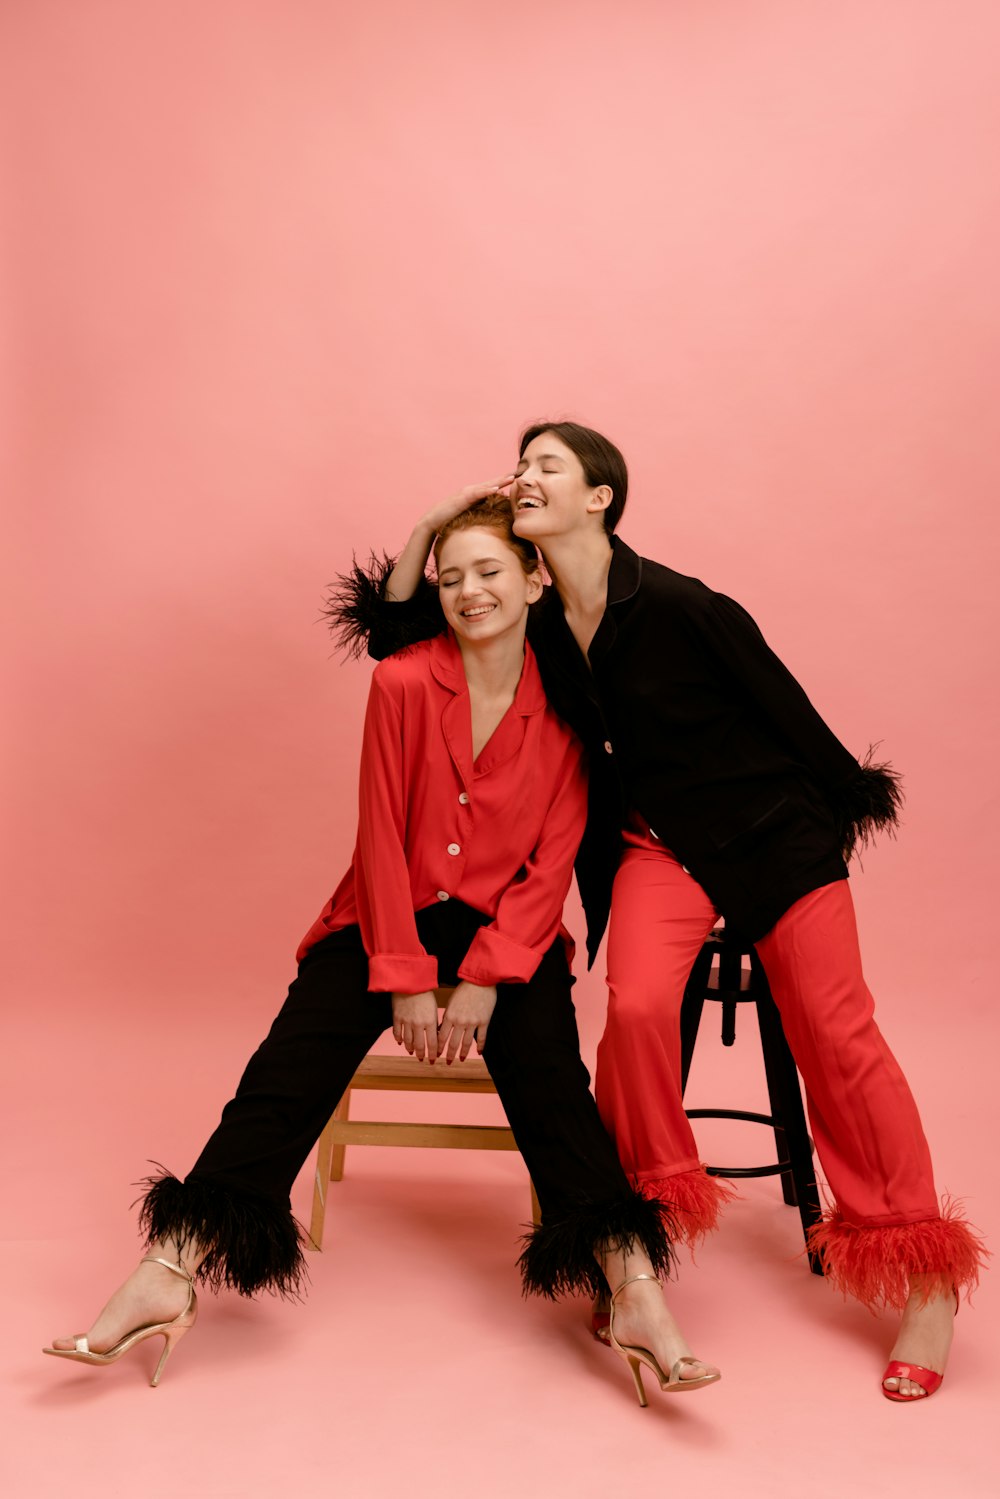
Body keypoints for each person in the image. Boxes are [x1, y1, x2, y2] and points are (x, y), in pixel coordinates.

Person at [44, 499, 719, 1406]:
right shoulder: (403, 680)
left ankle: (634, 1291)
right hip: (380, 913)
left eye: (489, 571)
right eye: (450, 576)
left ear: (533, 580)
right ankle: (168, 1270)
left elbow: (552, 857)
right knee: (285, 1071)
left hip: (507, 932)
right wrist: (401, 973)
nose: (468, 591)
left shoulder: (568, 703)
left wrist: (484, 976)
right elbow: (379, 836)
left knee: (553, 1082)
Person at [366, 422, 987, 1403]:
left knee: (836, 1032)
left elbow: (789, 713)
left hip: (772, 838)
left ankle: (921, 1279)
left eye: (547, 465)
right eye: (518, 463)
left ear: (600, 497)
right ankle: (637, 1233)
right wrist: (437, 521)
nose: (523, 475)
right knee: (640, 1009)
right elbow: (399, 640)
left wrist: (826, 830)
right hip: (658, 848)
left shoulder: (688, 606)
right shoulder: (526, 616)